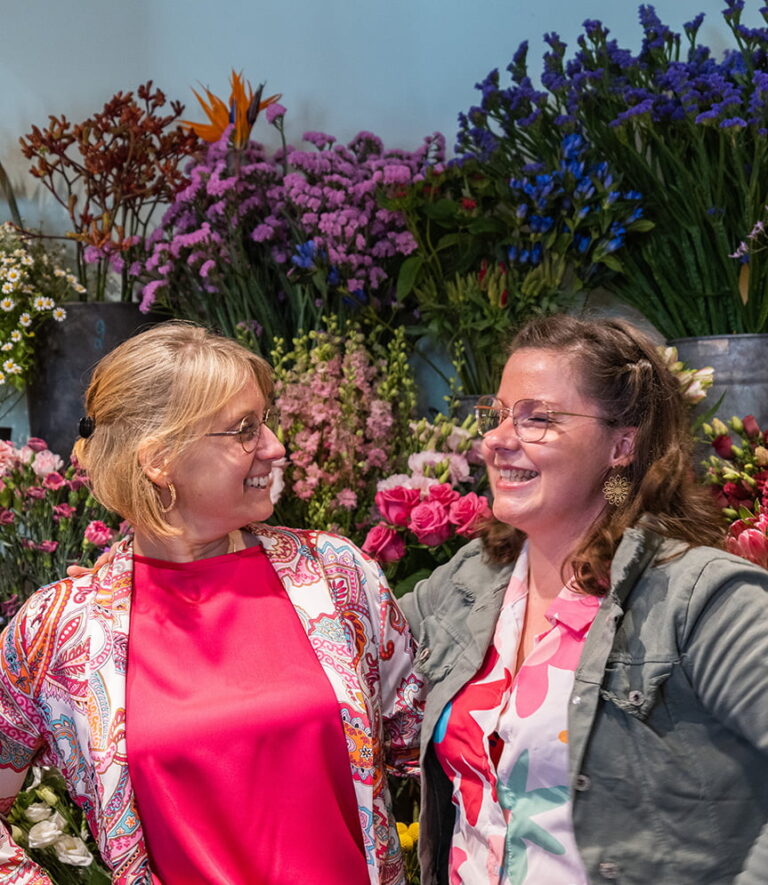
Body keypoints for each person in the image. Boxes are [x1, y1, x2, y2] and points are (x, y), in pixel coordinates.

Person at [0, 321, 422, 884]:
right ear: (160, 460)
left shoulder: (336, 576)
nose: (276, 447)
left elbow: (431, 748)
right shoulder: (62, 629)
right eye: (245, 429)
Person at [400, 314, 768, 885]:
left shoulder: (699, 596)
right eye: (497, 415)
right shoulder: (475, 577)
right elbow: (353, 651)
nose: (496, 439)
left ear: (622, 445)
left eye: (537, 419)